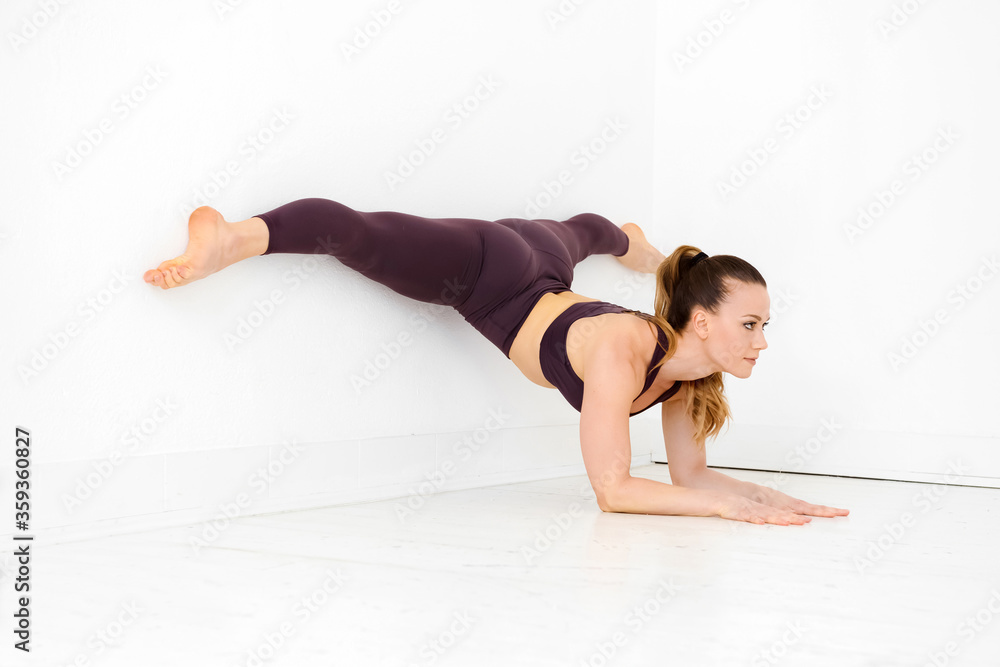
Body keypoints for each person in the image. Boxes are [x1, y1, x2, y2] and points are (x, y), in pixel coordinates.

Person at [144, 197, 849, 526]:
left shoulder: (691, 375)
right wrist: (723, 510)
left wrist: (765, 495)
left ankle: (630, 239)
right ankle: (229, 235)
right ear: (700, 320)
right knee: (360, 235)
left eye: (764, 325)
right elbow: (614, 489)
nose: (761, 340)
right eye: (750, 323)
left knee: (586, 233)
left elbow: (690, 474)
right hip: (494, 269)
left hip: (547, 263)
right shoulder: (624, 348)